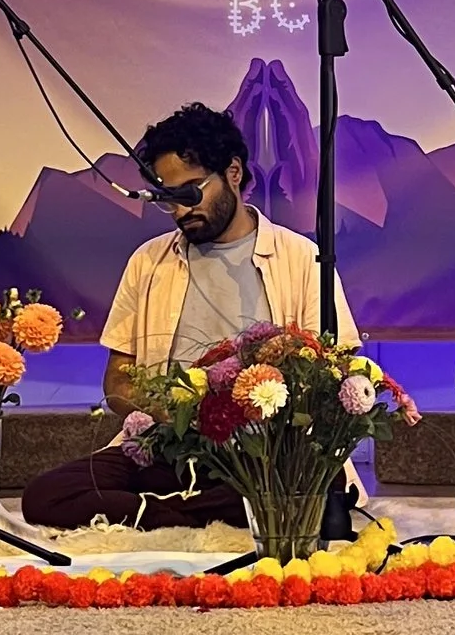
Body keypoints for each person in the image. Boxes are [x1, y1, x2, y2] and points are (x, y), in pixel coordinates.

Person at [20, 102, 359, 532]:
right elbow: (118, 383)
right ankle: (186, 514)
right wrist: (169, 412)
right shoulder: (148, 262)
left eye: (190, 193)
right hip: (163, 448)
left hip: (264, 455)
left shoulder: (302, 259)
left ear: (233, 173)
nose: (181, 211)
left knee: (301, 489)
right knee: (45, 496)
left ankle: (154, 513)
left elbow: (337, 372)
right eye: (169, 200)